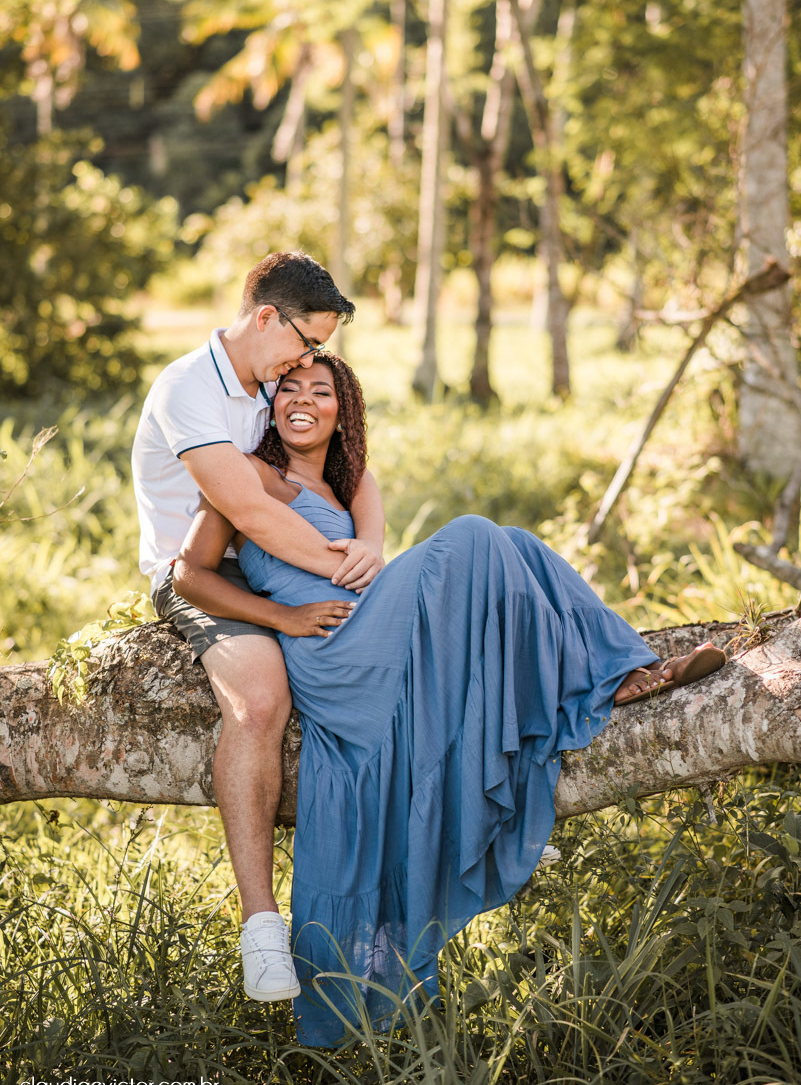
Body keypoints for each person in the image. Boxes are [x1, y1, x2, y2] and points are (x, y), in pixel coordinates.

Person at [173, 352, 725, 1047]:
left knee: (513, 541)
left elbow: (372, 561)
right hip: (330, 654)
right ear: (269, 405)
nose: (302, 401)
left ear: (345, 410)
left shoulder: (354, 483)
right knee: (470, 536)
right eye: (288, 390)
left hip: (377, 631)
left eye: (321, 390)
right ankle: (604, 677)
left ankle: (619, 672)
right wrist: (282, 620)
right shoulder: (249, 473)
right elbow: (189, 574)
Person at [131, 252, 386, 1004]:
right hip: (204, 575)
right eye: (304, 342)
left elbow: (336, 466)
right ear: (266, 316)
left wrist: (367, 553)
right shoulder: (188, 388)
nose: (307, 362)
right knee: (260, 701)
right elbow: (243, 514)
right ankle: (262, 930)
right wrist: (344, 574)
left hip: (290, 561)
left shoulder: (272, 384)